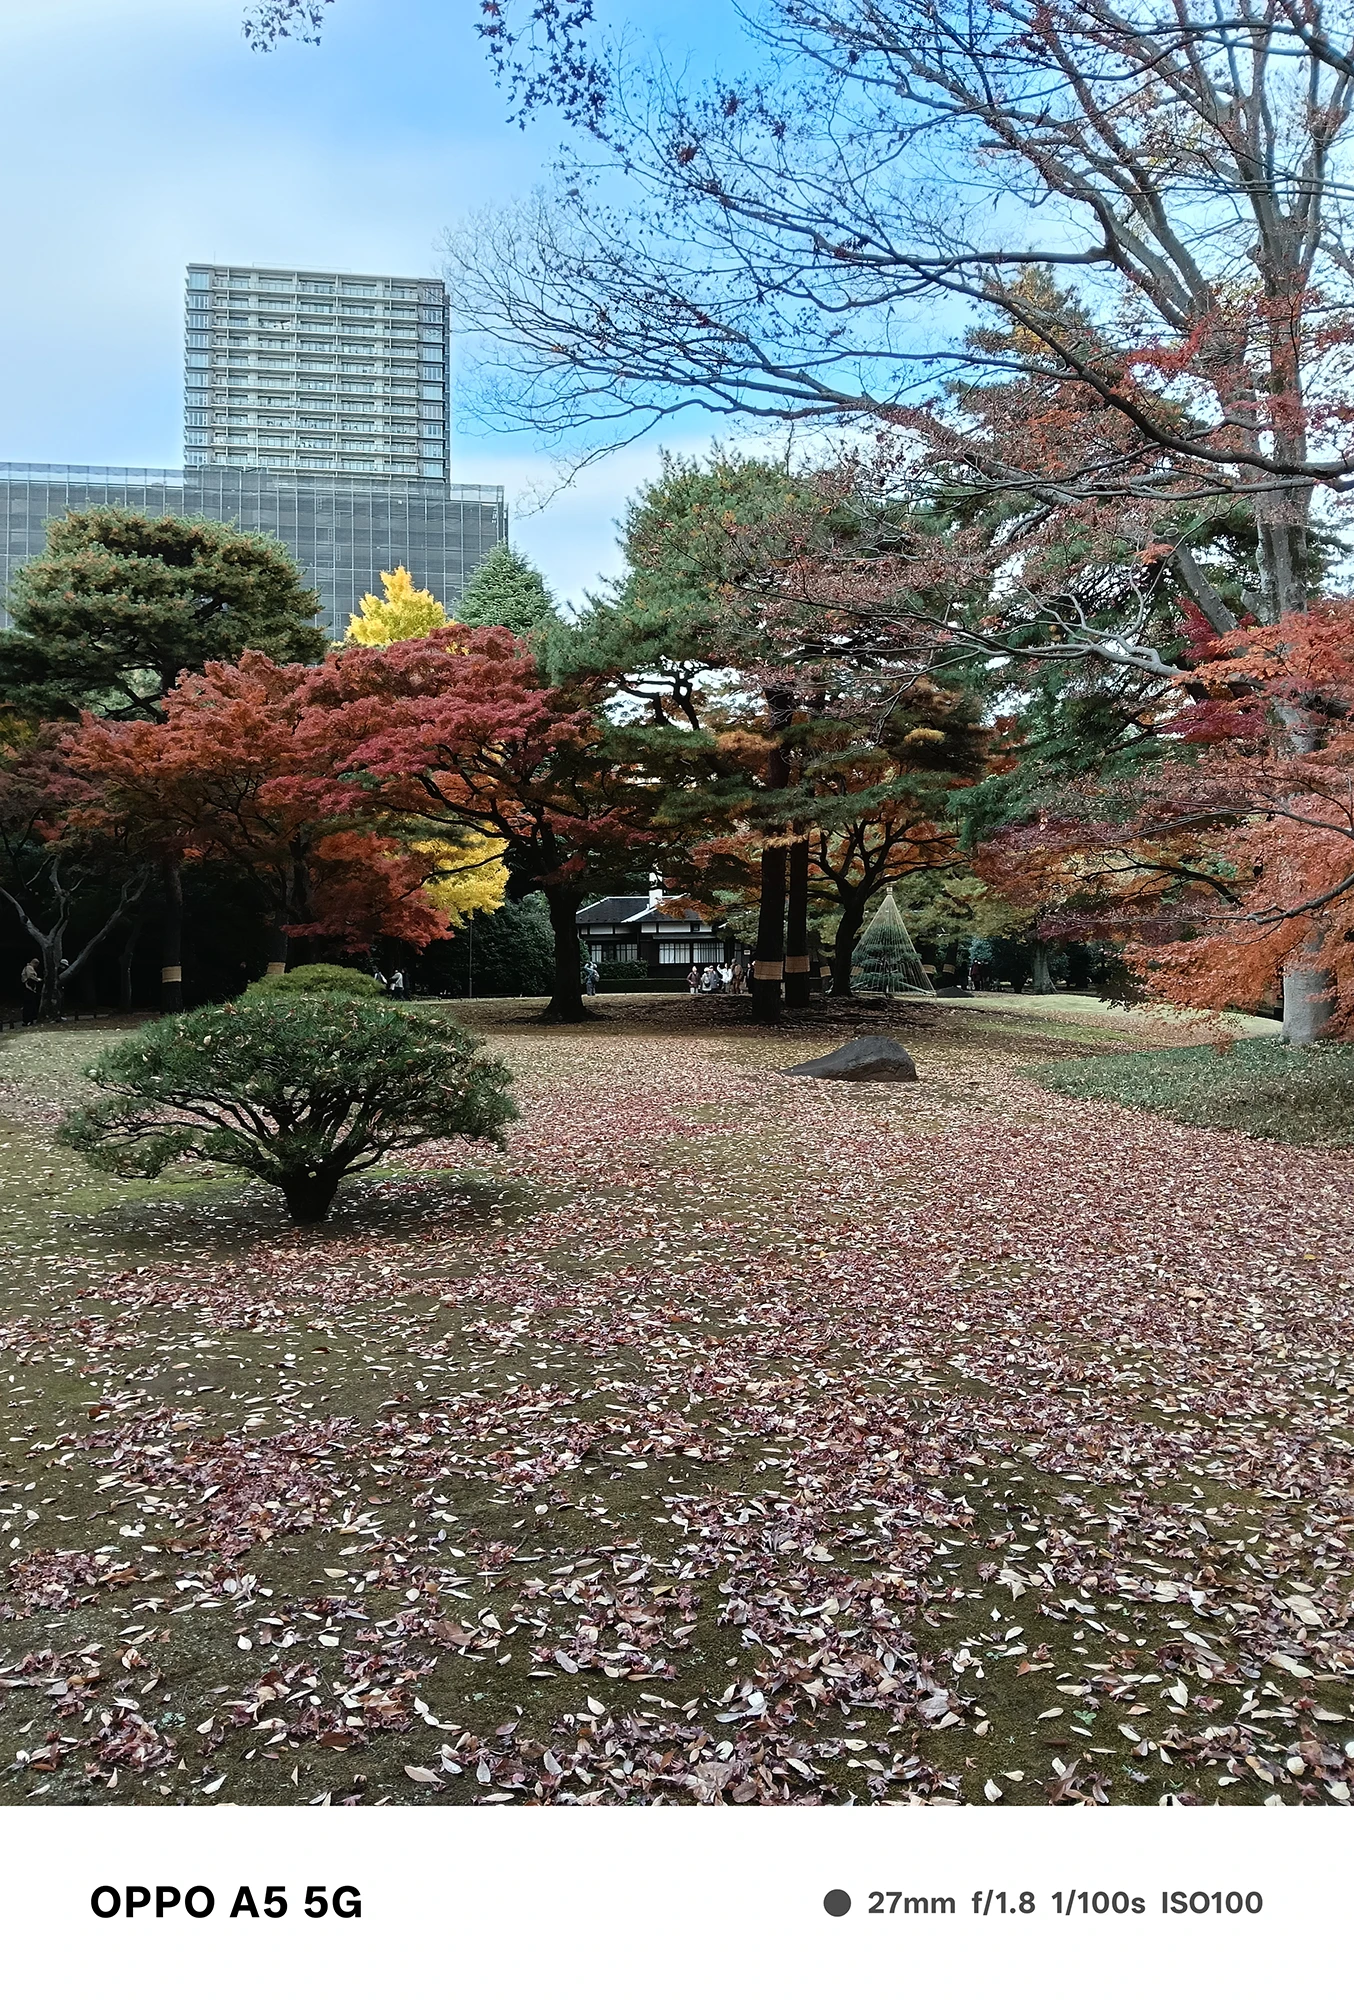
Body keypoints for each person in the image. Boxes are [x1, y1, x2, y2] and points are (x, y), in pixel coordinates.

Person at [20, 958, 40, 1026]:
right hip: (28, 989)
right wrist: (37, 980)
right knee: (29, 1005)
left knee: (29, 1005)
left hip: (28, 989)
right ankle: (28, 1020)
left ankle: (28, 1020)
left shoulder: (27, 968)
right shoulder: (29, 968)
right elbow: (30, 976)